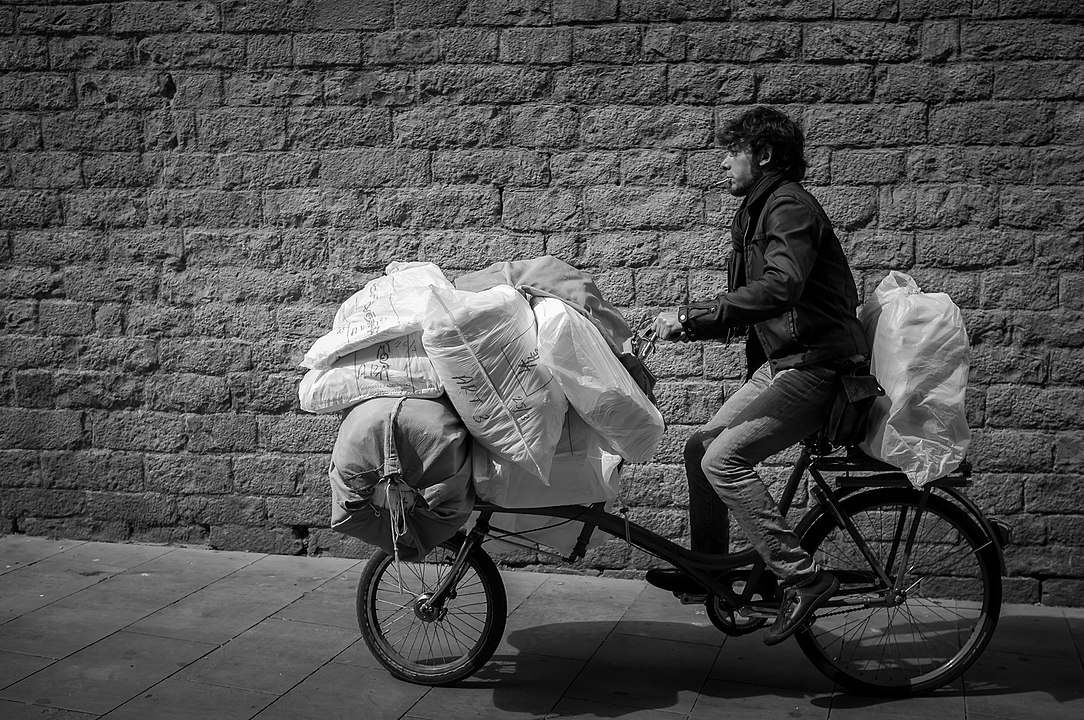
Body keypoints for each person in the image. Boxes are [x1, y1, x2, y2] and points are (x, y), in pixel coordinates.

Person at [650, 106, 870, 646]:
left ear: (763, 155)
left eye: (732, 152)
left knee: (725, 460)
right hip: (784, 366)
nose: (723, 163)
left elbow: (781, 288)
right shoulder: (759, 208)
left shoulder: (788, 206)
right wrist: (693, 328)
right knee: (700, 447)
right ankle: (716, 570)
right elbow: (762, 303)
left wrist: (690, 315)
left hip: (818, 369)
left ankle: (802, 577)